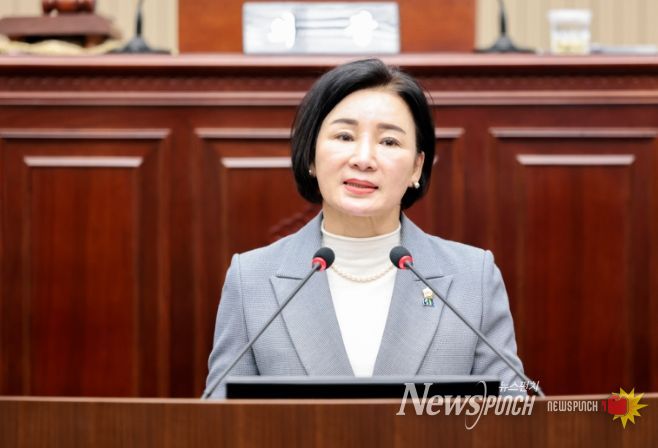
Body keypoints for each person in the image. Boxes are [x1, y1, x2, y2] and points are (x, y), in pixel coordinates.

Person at [205, 58, 525, 398]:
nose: (363, 159)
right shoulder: (251, 280)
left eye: (389, 142)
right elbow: (219, 418)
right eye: (344, 136)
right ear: (311, 155)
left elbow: (513, 409)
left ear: (417, 167)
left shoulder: (473, 279)